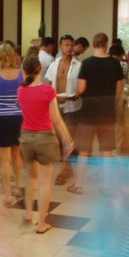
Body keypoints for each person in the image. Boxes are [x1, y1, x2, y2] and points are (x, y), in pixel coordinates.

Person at [18, 55, 73, 234]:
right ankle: (41, 224)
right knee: (44, 182)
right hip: (45, 138)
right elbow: (56, 120)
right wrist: (67, 140)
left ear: (24, 71)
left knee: (30, 177)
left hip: (26, 138)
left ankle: (28, 213)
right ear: (40, 69)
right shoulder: (48, 91)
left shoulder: (21, 90)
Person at [70, 33, 124, 194]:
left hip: (89, 113)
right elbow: (119, 89)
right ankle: (106, 186)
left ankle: (79, 185)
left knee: (84, 150)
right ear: (106, 44)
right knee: (106, 151)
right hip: (107, 113)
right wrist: (112, 104)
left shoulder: (86, 63)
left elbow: (81, 89)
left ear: (93, 44)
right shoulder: (115, 64)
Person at [0, 43, 23, 207]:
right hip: (18, 116)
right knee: (17, 154)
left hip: (2, 116)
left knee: (4, 158)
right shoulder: (21, 73)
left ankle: (8, 194)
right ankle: (18, 187)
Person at [44, 34, 82, 186]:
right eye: (66, 45)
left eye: (72, 45)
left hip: (72, 106)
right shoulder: (53, 65)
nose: (69, 48)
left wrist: (74, 96)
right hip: (56, 106)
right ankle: (68, 167)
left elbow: (81, 86)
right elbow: (49, 85)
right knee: (60, 139)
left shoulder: (78, 65)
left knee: (68, 138)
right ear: (61, 46)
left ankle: (63, 171)